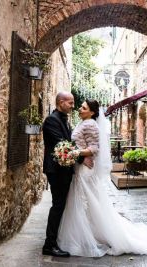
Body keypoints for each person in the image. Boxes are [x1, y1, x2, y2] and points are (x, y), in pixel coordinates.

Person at [57, 99, 147, 257]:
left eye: (83, 107)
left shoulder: (90, 124)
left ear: (92, 112)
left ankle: (91, 236)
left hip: (85, 170)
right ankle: (87, 233)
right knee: (85, 203)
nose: (79, 108)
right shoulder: (83, 122)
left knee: (86, 202)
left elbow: (94, 148)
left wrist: (73, 153)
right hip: (80, 167)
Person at [42, 92, 93, 257]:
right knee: (57, 206)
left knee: (60, 205)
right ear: (61, 102)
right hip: (57, 170)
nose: (73, 106)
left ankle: (55, 240)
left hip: (64, 170)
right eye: (70, 103)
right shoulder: (51, 120)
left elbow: (69, 144)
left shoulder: (63, 119)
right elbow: (62, 146)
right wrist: (82, 157)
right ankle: (49, 245)